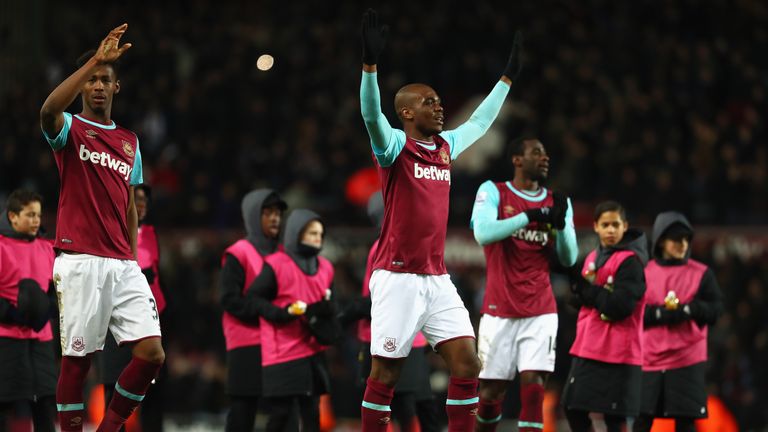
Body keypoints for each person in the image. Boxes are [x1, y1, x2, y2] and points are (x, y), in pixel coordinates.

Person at [358, 8, 523, 431]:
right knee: (386, 375)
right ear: (408, 113)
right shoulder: (393, 146)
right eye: (428, 102)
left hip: (435, 276)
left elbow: (482, 122)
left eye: (438, 100)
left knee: (467, 361)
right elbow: (371, 115)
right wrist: (370, 67)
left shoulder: (446, 146)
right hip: (396, 276)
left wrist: (505, 79)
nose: (439, 106)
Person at [39, 24, 164, 432]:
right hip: (80, 261)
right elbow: (47, 111)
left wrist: (131, 254)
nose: (97, 85)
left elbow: (130, 204)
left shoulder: (130, 141)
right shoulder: (70, 130)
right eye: (91, 79)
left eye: (104, 80)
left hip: (123, 263)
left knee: (152, 354)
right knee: (78, 363)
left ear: (116, 88)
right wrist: (96, 58)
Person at [469, 137, 577, 431]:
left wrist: (562, 223)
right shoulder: (494, 191)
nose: (545, 158)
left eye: (546, 154)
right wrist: (529, 216)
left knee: (533, 391)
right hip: (498, 309)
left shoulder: (555, 201)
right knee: (491, 395)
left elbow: (569, 259)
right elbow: (483, 233)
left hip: (540, 310)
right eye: (536, 152)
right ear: (517, 159)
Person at [350, 192, 439, 432]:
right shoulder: (395, 244)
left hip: (388, 339)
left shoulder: (383, 247)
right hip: (411, 340)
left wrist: (349, 311)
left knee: (400, 409)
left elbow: (383, 301)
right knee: (420, 409)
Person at [562, 201, 648, 432]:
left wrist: (587, 293)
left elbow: (620, 306)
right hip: (588, 346)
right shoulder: (592, 257)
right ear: (596, 227)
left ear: (625, 226)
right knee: (572, 408)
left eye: (615, 224)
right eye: (605, 224)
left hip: (618, 352)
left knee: (614, 421)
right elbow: (589, 296)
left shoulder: (631, 262)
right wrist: (581, 296)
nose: (611, 230)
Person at [634, 212, 723, 432]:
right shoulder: (644, 272)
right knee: (642, 420)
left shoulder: (702, 273)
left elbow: (715, 311)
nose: (682, 245)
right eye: (676, 239)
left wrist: (691, 309)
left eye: (686, 240)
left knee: (686, 421)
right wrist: (661, 314)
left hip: (687, 359)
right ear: (662, 240)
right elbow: (633, 312)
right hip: (650, 359)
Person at [249, 209, 338, 431]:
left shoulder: (326, 267)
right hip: (282, 352)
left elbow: (331, 303)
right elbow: (254, 299)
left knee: (312, 413)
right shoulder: (276, 264)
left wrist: (326, 311)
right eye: (311, 233)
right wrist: (281, 313)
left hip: (313, 351)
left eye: (320, 233)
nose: (318, 238)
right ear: (295, 233)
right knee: (281, 414)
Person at [98, 184, 166, 432]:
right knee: (114, 384)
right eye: (137, 199)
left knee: (151, 387)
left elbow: (156, 274)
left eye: (146, 200)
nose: (142, 204)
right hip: (116, 319)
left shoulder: (149, 232)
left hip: (149, 318)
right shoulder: (108, 230)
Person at [219, 189, 288, 432]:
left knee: (283, 410)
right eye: (267, 212)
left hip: (280, 344)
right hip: (247, 342)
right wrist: (269, 311)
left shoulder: (283, 253)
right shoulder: (239, 252)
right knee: (243, 410)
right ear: (251, 216)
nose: (275, 218)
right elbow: (229, 300)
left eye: (278, 212)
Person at [0, 190, 58, 432]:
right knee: (4, 404)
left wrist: (49, 311)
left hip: (42, 340)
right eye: (30, 214)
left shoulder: (48, 248)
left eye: (38, 215)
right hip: (7, 339)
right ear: (12, 216)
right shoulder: (1, 247)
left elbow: (56, 291)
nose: (36, 220)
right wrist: (12, 314)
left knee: (45, 404)